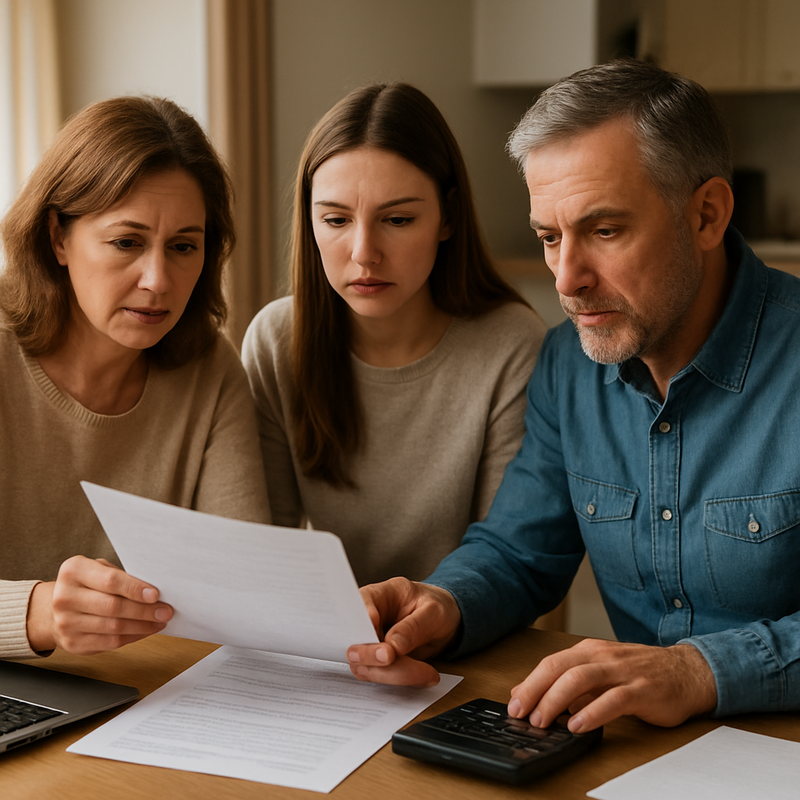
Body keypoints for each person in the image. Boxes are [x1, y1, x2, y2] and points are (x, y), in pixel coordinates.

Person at [345, 60, 800, 733]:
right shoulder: (568, 361)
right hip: (641, 750)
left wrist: (697, 671)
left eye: (605, 231)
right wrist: (443, 601)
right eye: (550, 237)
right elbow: (519, 551)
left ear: (706, 214)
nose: (567, 278)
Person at [0, 96, 271, 660]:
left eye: (183, 248)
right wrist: (36, 612)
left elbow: (243, 587)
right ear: (57, 238)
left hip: (139, 697)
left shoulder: (210, 368)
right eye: (127, 242)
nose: (158, 280)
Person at [242, 83, 546, 585]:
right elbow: (265, 549)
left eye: (398, 219)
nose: (364, 252)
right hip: (329, 639)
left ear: (446, 217)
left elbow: (506, 558)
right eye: (336, 219)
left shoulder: (511, 344)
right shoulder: (277, 340)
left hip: (466, 633)